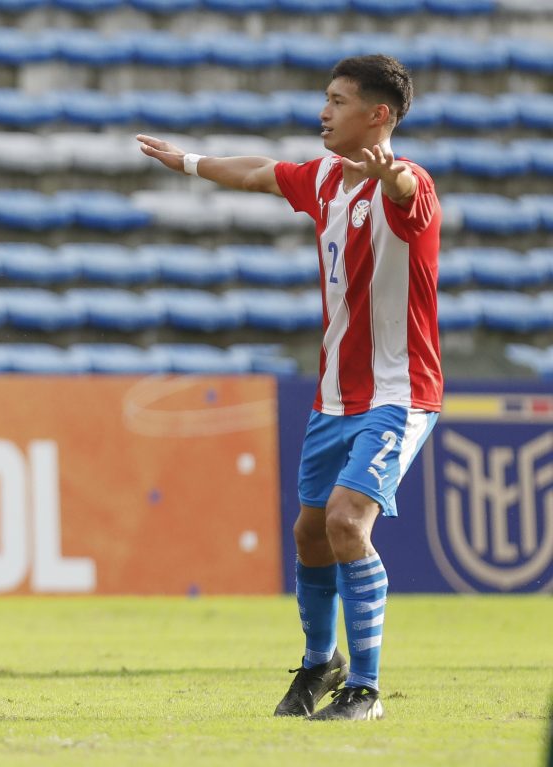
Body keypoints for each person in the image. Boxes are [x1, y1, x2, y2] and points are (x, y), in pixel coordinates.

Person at [138, 54, 442, 721]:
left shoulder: (410, 183)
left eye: (337, 100)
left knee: (344, 521)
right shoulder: (325, 178)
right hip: (334, 397)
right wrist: (189, 162)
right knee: (309, 532)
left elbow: (406, 199)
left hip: (398, 393)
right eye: (325, 98)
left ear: (378, 114)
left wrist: (390, 177)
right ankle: (318, 662)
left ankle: (364, 688)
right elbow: (253, 172)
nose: (323, 111)